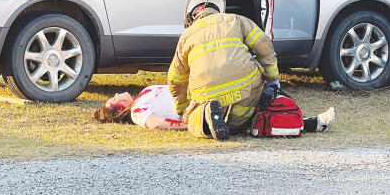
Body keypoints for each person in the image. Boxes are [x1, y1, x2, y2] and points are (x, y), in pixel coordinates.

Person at [167, 0, 332, 141]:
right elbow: (265, 48)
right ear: (218, 11)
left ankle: (207, 116)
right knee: (259, 110)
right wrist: (272, 81)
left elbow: (175, 79)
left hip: (208, 95)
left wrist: (183, 109)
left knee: (191, 119)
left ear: (192, 18)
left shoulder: (186, 37)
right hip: (245, 88)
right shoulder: (236, 20)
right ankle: (303, 122)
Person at [93, 83, 335, 134]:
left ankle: (302, 119)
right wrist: (190, 124)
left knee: (258, 93)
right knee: (255, 103)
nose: (115, 94)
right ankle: (308, 123)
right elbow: (156, 122)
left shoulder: (142, 96)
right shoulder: (137, 112)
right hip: (203, 105)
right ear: (118, 110)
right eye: (113, 100)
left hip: (203, 89)